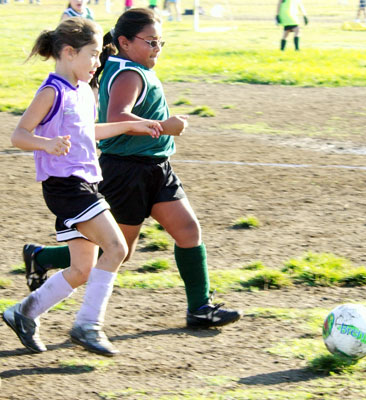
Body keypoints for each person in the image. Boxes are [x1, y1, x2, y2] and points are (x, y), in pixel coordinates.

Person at [22, 8, 242, 330]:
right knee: (115, 250)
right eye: (150, 41)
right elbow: (118, 117)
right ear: (124, 42)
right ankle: (44, 261)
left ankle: (200, 308)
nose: (157, 48)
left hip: (156, 167)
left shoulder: (130, 68)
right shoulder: (128, 74)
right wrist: (163, 126)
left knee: (187, 231)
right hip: (127, 173)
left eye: (160, 42)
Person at [2, 18, 162, 356]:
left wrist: (136, 126)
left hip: (85, 184)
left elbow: (89, 131)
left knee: (81, 269)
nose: (97, 62)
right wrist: (46, 144)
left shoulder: (84, 91)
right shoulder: (52, 91)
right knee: (116, 249)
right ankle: (88, 325)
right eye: (93, 54)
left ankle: (23, 313)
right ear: (69, 52)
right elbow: (19, 135)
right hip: (66, 187)